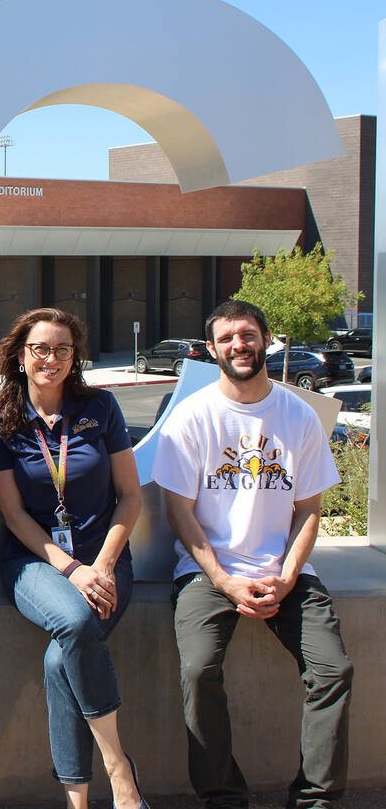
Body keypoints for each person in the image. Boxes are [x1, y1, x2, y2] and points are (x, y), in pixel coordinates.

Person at [152, 299, 353, 809]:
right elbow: (181, 515)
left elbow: (309, 509)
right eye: (226, 338)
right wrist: (224, 581)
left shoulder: (298, 415)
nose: (238, 345)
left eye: (247, 335)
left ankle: (316, 800)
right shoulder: (192, 418)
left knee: (333, 670)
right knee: (200, 670)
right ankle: (223, 797)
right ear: (212, 349)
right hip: (206, 573)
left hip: (286, 570)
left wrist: (286, 578)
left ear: (267, 339)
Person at [0, 308, 147, 809]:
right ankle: (119, 766)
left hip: (107, 564)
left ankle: (76, 800)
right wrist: (71, 569)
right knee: (73, 621)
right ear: (20, 356)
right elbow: (12, 514)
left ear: (75, 358)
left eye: (62, 350)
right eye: (40, 349)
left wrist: (104, 565)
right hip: (36, 562)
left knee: (61, 661)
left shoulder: (101, 408)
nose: (51, 359)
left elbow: (130, 497)